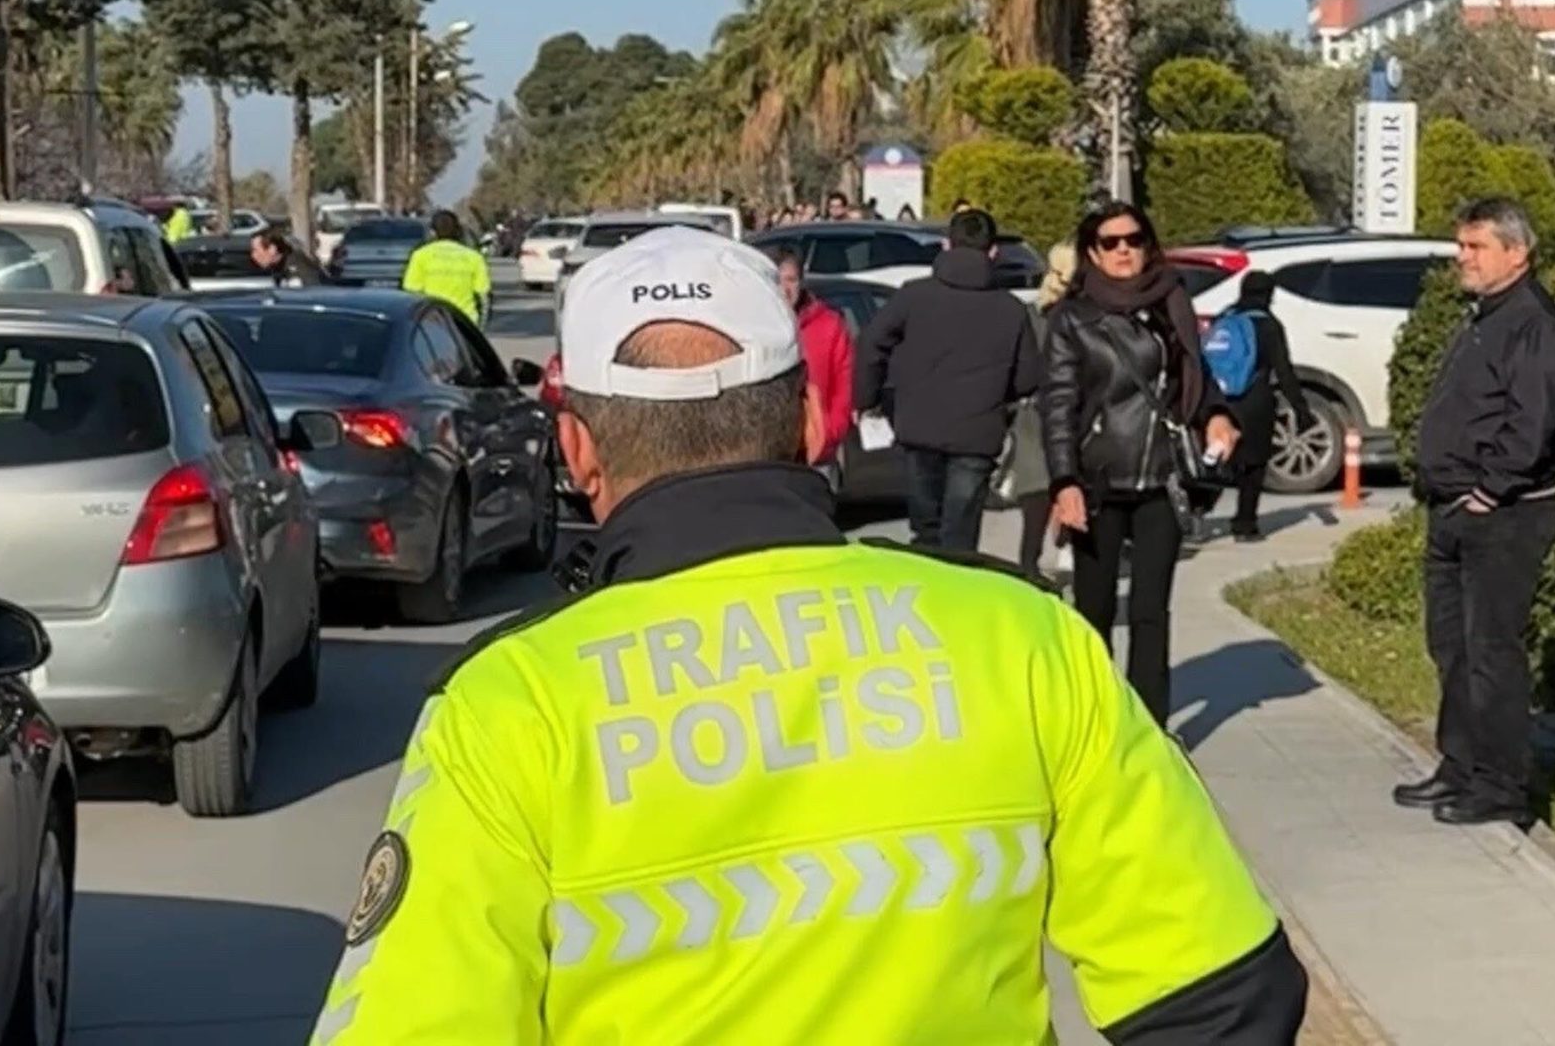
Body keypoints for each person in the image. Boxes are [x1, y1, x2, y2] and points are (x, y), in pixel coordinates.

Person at [309, 226, 1308, 1044]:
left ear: (576, 449)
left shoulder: (510, 704)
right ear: (815, 417)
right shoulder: (1017, 636)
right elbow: (1222, 993)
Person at [1399, 197, 1555, 829]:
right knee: (1449, 644)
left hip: (1502, 515)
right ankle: (1461, 764)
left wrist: (1490, 490)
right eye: (1461, 246)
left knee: (1491, 650)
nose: (1463, 258)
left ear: (1517, 253)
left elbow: (1533, 423)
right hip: (1452, 508)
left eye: (1476, 247)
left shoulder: (1535, 325)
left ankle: (1501, 785)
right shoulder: (1483, 317)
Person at [1039, 204, 1240, 728]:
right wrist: (1064, 481)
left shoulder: (1170, 302)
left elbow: (1196, 378)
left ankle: (1150, 729)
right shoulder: (1072, 318)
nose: (1124, 250)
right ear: (1092, 253)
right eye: (1111, 243)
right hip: (1098, 480)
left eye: (1133, 239)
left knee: (1151, 612)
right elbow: (1057, 406)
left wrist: (1217, 415)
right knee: (1096, 611)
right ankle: (1099, 723)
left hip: (1162, 478)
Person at [853, 207, 1042, 553]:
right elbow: (1029, 377)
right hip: (977, 432)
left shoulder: (913, 296)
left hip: (919, 425)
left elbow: (871, 343)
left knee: (926, 532)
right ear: (993, 252)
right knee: (961, 534)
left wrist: (868, 397)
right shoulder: (1011, 309)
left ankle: (928, 579)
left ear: (945, 245)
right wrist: (996, 392)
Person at [1191, 271, 1311, 543]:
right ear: (1269, 295)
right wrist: (1300, 409)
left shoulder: (1225, 318)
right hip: (1256, 402)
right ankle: (1245, 524)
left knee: (1215, 458)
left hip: (1218, 401)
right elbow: (1284, 371)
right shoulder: (1269, 325)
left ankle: (1197, 512)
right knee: (1252, 468)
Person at [1006, 242, 1077, 582]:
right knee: (1069, 479)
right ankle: (1064, 546)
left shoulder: (1032, 314)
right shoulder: (1083, 315)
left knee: (1036, 491)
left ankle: (1029, 564)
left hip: (1033, 410)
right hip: (1069, 409)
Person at [768, 245, 853, 469]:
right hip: (768, 454)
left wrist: (830, 432)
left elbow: (845, 385)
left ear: (801, 282)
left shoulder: (829, 324)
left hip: (817, 453)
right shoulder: (754, 327)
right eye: (777, 281)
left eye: (791, 280)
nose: (784, 288)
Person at [402, 209, 493, 323]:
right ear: (458, 230)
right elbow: (484, 297)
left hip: (432, 322)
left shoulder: (420, 256)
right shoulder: (474, 257)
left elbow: (411, 293)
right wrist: (478, 328)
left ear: (432, 232)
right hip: (465, 322)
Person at [249, 228, 327, 287]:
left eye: (256, 250)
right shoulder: (279, 266)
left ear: (272, 249)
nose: (253, 255)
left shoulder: (297, 270)